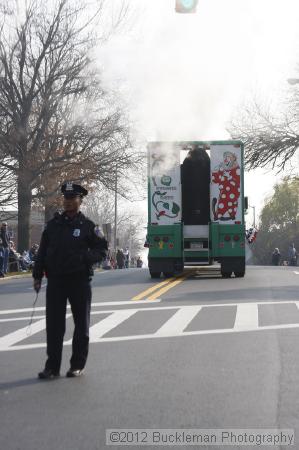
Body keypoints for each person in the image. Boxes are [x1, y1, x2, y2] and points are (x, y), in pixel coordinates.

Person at [33, 182, 108, 380]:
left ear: (79, 201)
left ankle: (77, 365)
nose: (67, 202)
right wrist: (37, 275)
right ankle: (52, 367)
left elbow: (102, 249)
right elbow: (42, 251)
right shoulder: (53, 225)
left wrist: (85, 258)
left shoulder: (89, 226)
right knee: (54, 325)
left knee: (81, 325)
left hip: (79, 280)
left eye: (72, 198)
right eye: (65, 199)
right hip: (56, 280)